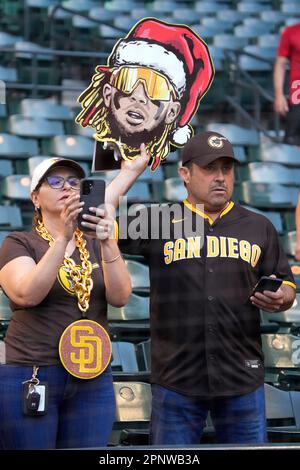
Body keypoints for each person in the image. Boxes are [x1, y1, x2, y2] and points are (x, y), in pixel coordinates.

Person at [86, 132, 296, 445]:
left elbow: (286, 286)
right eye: (210, 169)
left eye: (226, 169)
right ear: (185, 174)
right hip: (177, 377)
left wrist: (282, 298)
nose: (220, 178)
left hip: (241, 375)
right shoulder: (160, 220)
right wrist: (130, 172)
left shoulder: (258, 225)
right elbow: (95, 217)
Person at [0, 157, 132, 449]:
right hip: (31, 372)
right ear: (35, 197)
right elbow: (26, 294)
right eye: (55, 181)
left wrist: (109, 242)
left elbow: (120, 296)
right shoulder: (19, 242)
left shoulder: (96, 243)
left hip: (91, 375)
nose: (67, 187)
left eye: (74, 182)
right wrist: (62, 239)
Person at [76, 18, 214, 171]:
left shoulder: (184, 168)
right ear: (108, 93)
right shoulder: (79, 149)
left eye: (156, 87)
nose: (139, 96)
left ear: (172, 112)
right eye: (128, 80)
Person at [273, 22, 300, 145]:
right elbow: (280, 64)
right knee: (293, 141)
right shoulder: (291, 32)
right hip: (298, 95)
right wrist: (279, 95)